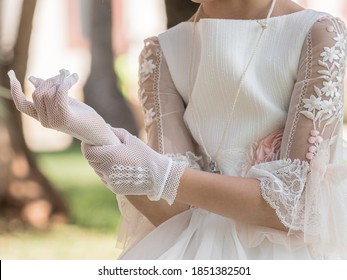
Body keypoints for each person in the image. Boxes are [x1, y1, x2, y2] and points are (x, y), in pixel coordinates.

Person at [8, 0, 347, 259]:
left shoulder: (316, 33)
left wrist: (159, 173)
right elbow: (173, 212)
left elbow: (296, 205)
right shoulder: (164, 51)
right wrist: (98, 137)